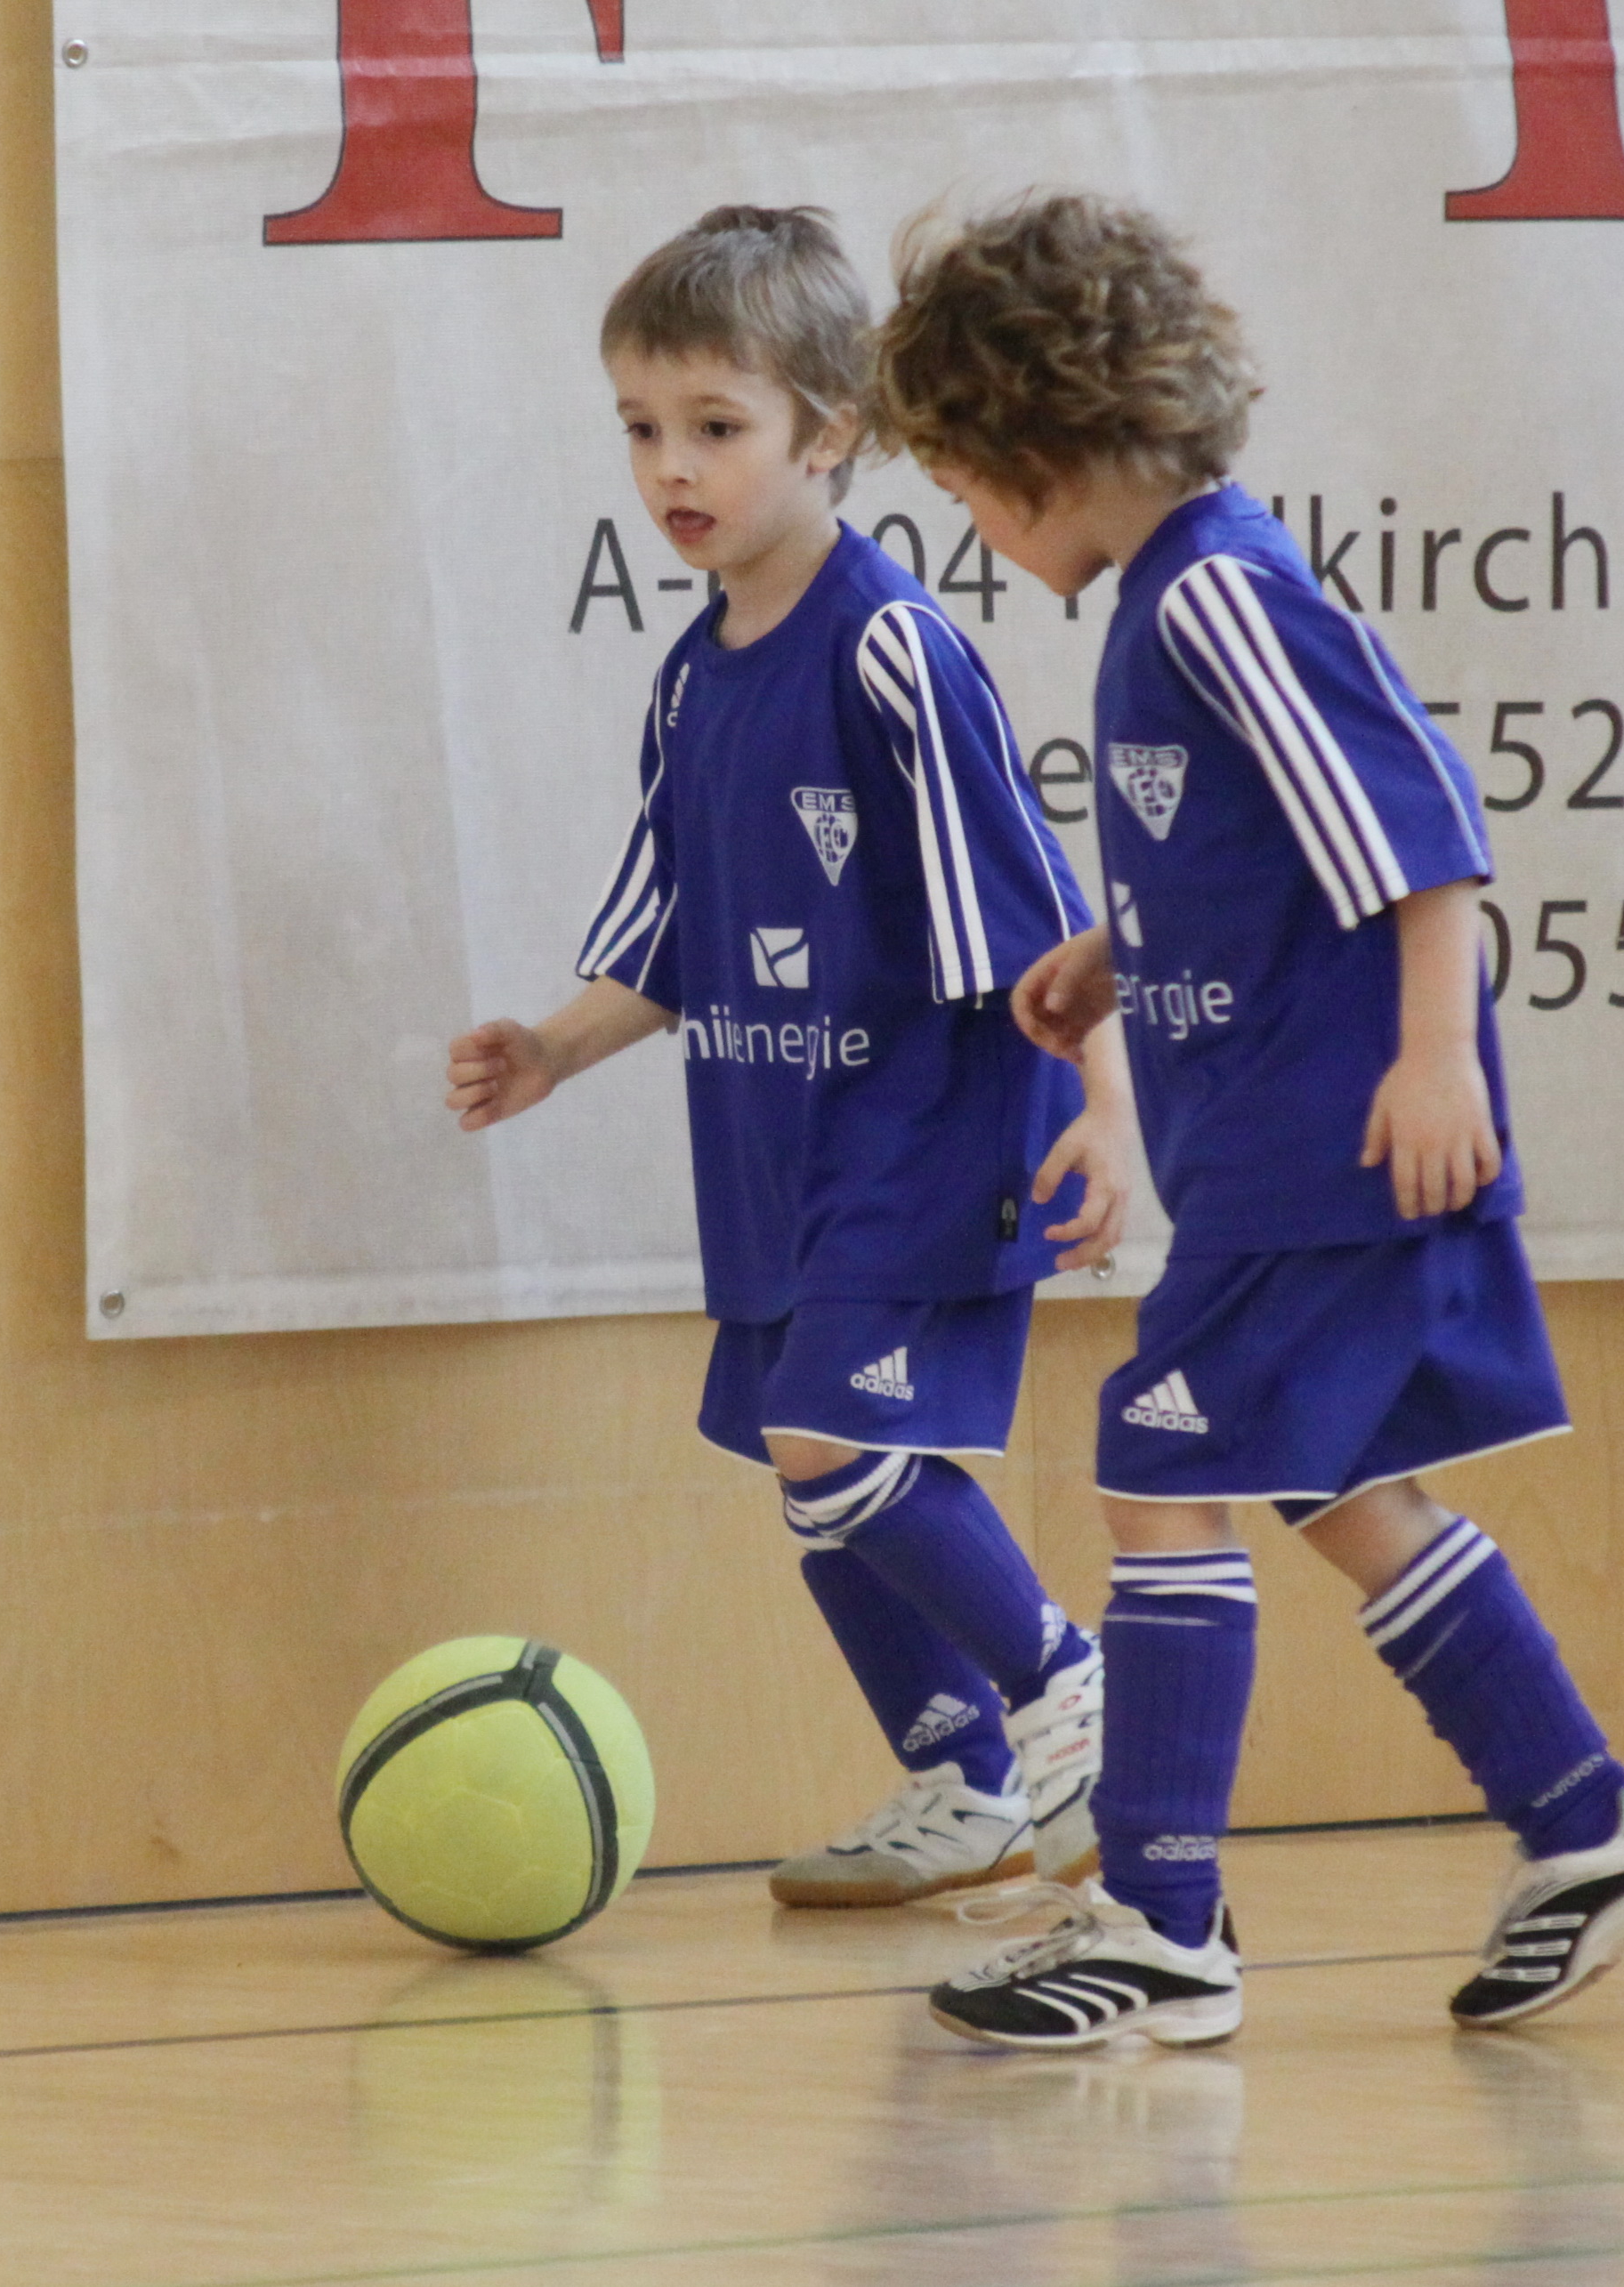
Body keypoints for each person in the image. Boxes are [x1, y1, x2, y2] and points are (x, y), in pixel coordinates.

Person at [875, 193, 1624, 2049]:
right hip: (1283, 1163)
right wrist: (1114, 953)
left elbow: (1416, 823)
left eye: (964, 491)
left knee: (1151, 1462)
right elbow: (1262, 851)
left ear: (1035, 448)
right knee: (1338, 1489)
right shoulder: (1176, 598)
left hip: (1328, 1157)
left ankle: (1161, 1923)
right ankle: (1588, 1828)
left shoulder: (1217, 591)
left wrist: (1434, 1060)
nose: (974, 533)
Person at [447, 206, 1125, 1911]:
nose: (669, 466)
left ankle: (1068, 1691)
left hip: (928, 1127)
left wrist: (1108, 1118)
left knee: (830, 1432)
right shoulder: (692, 681)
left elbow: (1043, 917)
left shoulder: (890, 646)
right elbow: (676, 928)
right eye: (640, 426)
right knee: (802, 1457)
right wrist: (551, 1047)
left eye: (714, 425)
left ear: (830, 433)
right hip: (775, 1148)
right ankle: (963, 1783)